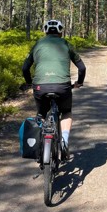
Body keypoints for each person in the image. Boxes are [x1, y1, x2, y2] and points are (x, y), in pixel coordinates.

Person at [22, 19, 86, 159]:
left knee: (41, 115)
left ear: (45, 31)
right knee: (66, 112)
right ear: (60, 32)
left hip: (40, 87)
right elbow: (82, 68)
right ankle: (64, 140)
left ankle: (39, 145)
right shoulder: (66, 44)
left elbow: (25, 68)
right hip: (62, 86)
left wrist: (29, 83)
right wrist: (79, 83)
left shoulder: (38, 44)